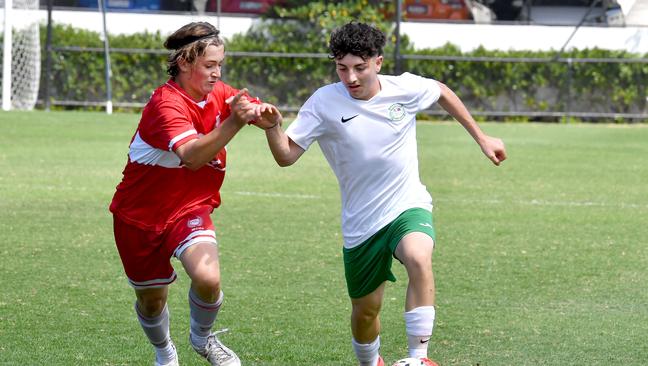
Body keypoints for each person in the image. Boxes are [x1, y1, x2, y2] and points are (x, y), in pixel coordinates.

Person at [262, 22, 506, 366]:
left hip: (408, 204)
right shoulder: (323, 102)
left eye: (359, 68)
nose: (351, 78)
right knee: (365, 312)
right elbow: (286, 156)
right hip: (362, 223)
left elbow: (441, 91)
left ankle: (418, 357)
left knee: (419, 257)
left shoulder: (403, 89)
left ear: (377, 62)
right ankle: (370, 362)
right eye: (342, 68)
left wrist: (482, 137)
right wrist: (273, 127)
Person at [109, 22, 278, 366]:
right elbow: (192, 158)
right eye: (210, 66)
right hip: (139, 217)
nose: (218, 74)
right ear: (185, 62)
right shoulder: (165, 104)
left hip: (189, 208)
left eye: (220, 65)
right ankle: (165, 353)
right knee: (153, 302)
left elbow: (250, 108)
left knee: (208, 277)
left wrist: (262, 115)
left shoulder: (219, 93)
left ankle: (203, 339)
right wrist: (234, 122)